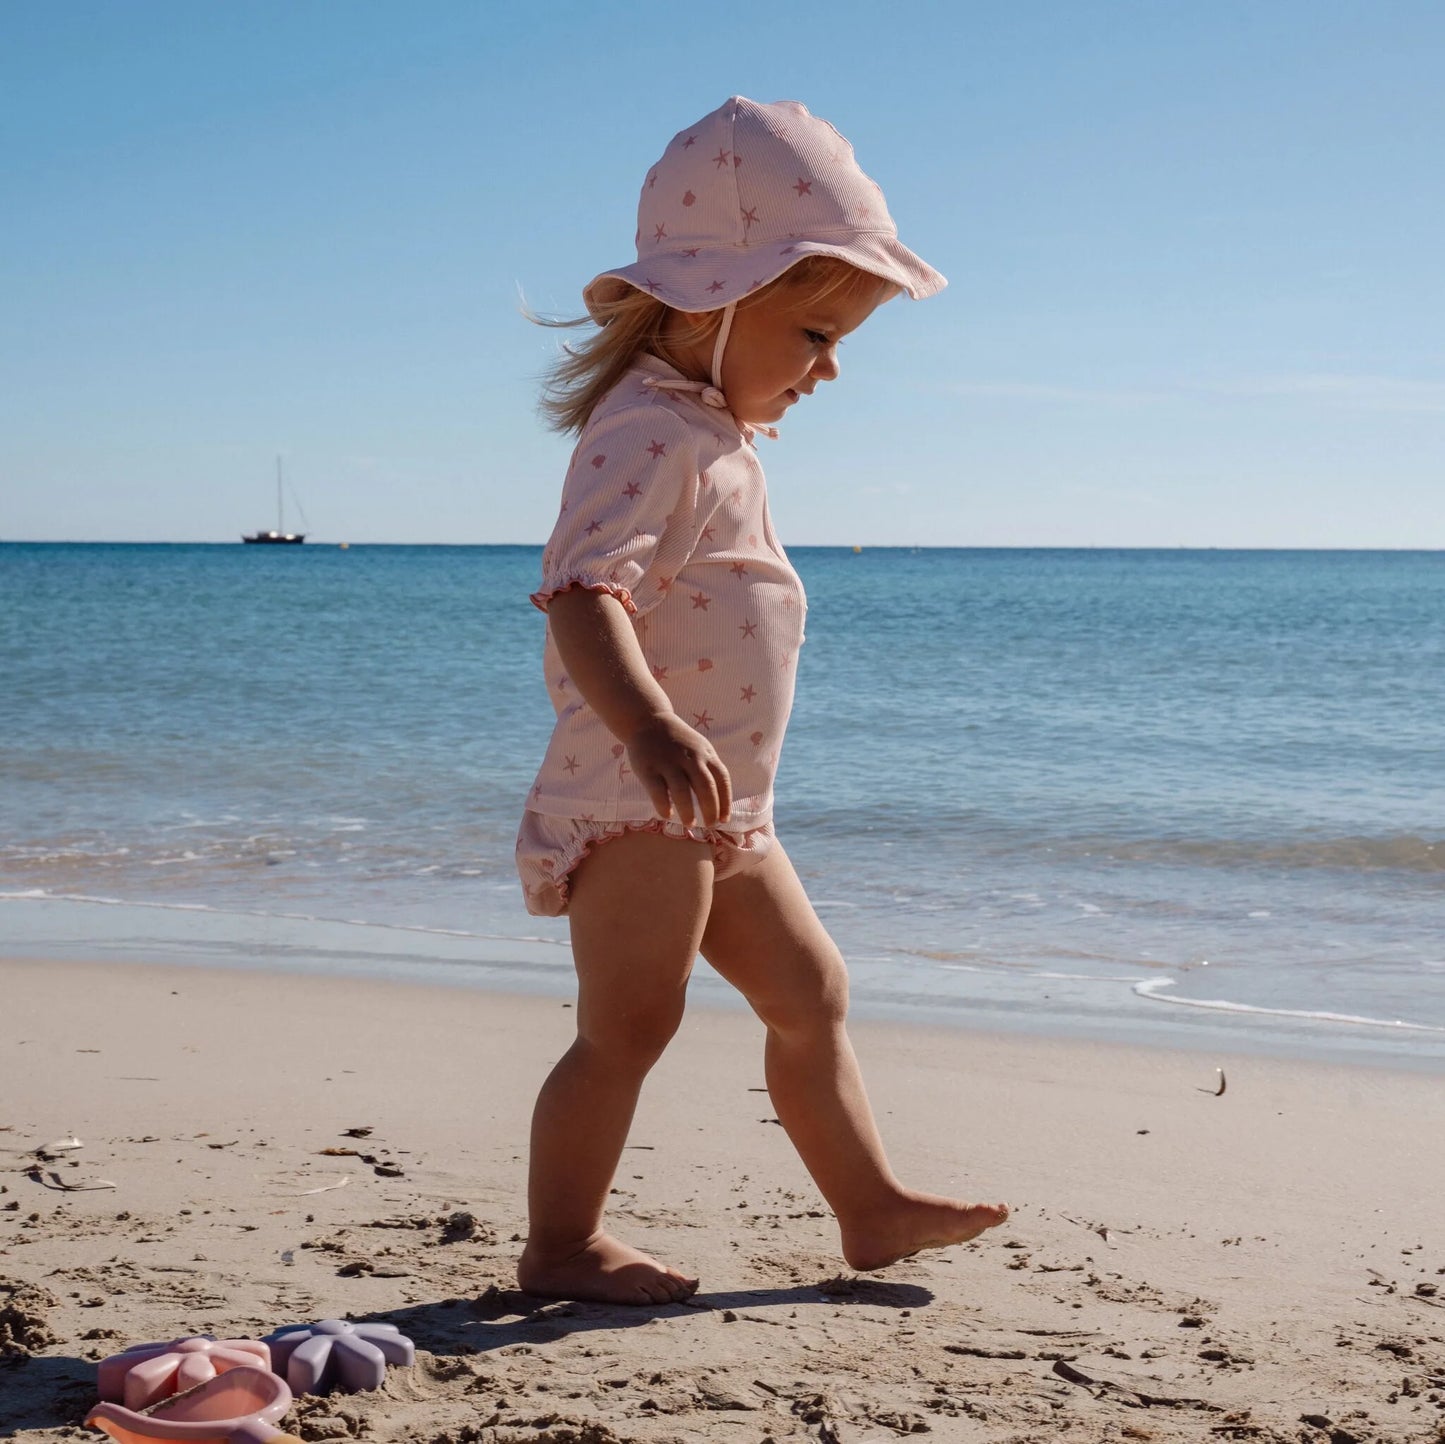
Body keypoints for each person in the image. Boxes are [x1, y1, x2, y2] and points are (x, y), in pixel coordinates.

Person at [515, 96, 1008, 1305]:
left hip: (719, 804)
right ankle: (561, 1244)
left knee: (811, 994)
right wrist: (646, 726)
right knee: (629, 1025)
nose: (830, 365)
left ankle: (871, 1207)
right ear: (708, 304)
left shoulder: (711, 432)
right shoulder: (645, 431)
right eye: (814, 331)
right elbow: (584, 594)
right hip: (642, 796)